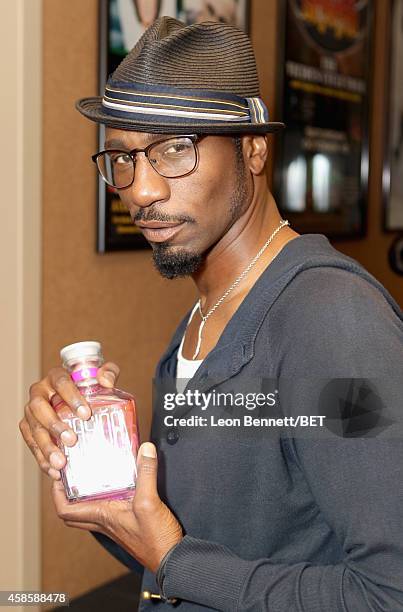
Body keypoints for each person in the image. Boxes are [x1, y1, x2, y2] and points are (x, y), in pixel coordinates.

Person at [19, 16, 403, 611]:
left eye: (175, 148)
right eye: (122, 158)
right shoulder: (201, 323)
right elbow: (193, 552)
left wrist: (174, 557)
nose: (140, 190)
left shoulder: (331, 320)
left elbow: (389, 594)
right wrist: (99, 484)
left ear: (252, 150)